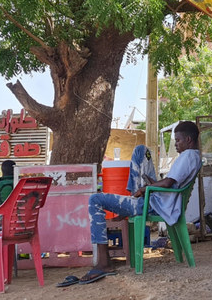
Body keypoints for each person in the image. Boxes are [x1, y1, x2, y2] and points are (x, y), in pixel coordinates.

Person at [80, 120, 202, 284]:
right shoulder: (193, 156)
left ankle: (104, 262)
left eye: (178, 141)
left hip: (153, 205)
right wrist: (151, 185)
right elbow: (168, 182)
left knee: (95, 199)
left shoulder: (188, 156)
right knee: (141, 151)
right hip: (157, 199)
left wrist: (145, 189)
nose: (176, 145)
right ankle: (131, 201)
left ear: (188, 140)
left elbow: (167, 184)